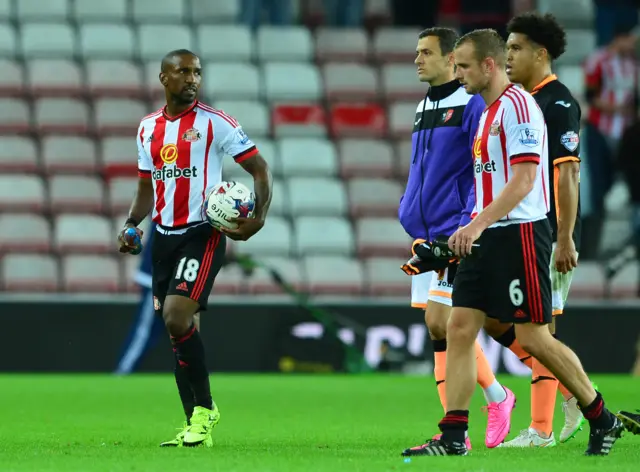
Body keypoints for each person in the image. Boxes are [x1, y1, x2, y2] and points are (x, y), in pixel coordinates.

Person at [402, 29, 625, 457]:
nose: (459, 73)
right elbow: (488, 188)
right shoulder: (486, 113)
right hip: (488, 236)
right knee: (460, 327)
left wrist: (477, 226)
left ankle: (600, 414)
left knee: (536, 338)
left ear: (488, 65)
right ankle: (453, 436)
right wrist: (450, 245)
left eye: (464, 65)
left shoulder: (520, 107)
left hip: (521, 234)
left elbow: (523, 181)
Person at [117, 49, 273, 447]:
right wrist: (132, 224)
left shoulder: (216, 123)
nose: (191, 78)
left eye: (196, 72)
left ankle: (205, 408)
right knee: (180, 333)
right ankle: (195, 425)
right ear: (163, 78)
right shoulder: (147, 128)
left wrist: (259, 217)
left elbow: (260, 169)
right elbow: (145, 188)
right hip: (163, 238)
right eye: (182, 72)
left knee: (174, 317)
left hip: (201, 233)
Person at [398, 27, 515, 452]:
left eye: (426, 53)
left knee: (447, 323)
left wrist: (465, 224)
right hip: (426, 232)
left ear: (451, 59)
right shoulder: (424, 104)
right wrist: (407, 207)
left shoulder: (468, 105)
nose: (417, 59)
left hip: (455, 232)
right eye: (416, 52)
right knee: (437, 326)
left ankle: (480, 412)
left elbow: (476, 168)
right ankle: (486, 405)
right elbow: (420, 168)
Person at [480, 12, 584, 447]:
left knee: (540, 330)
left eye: (517, 48)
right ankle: (575, 387)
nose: (508, 56)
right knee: (491, 317)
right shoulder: (516, 100)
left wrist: (563, 237)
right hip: (515, 229)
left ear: (541, 54)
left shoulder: (556, 102)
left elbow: (566, 176)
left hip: (544, 232)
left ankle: (541, 430)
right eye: (507, 48)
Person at [581, 24, 638, 259]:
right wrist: (616, 109)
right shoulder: (598, 60)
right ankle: (592, 248)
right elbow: (590, 96)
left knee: (628, 189)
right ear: (619, 37)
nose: (633, 44)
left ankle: (623, 246)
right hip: (600, 131)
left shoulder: (633, 65)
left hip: (627, 135)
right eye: (630, 39)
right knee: (598, 189)